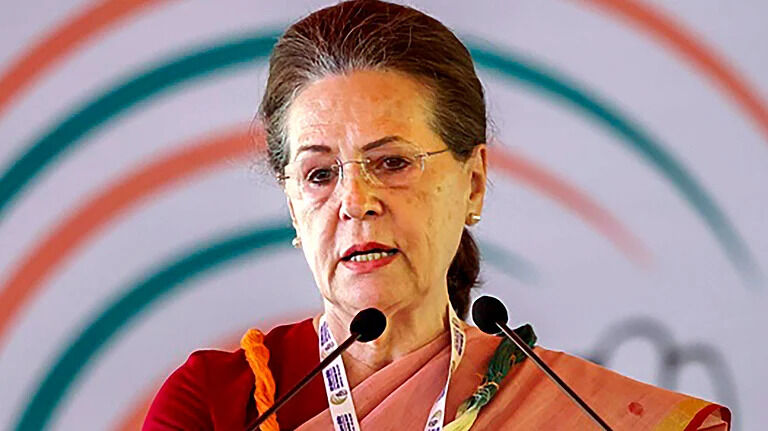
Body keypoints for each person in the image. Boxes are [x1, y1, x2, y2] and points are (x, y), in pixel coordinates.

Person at [143, 1, 731, 429]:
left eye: (393, 162)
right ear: (293, 206)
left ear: (473, 184)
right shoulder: (223, 405)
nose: (355, 201)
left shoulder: (573, 411)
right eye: (320, 174)